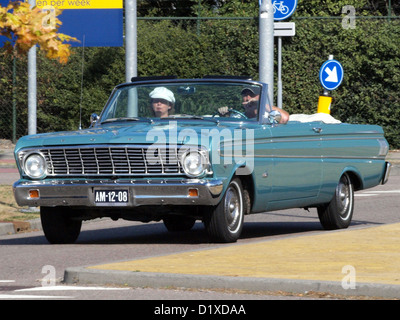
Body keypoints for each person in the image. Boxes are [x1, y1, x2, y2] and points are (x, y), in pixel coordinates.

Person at [218, 87, 289, 124]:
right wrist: (225, 116)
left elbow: (284, 118)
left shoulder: (267, 117)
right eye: (245, 95)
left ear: (259, 96)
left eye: (252, 95)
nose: (248, 98)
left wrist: (261, 104)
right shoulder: (237, 117)